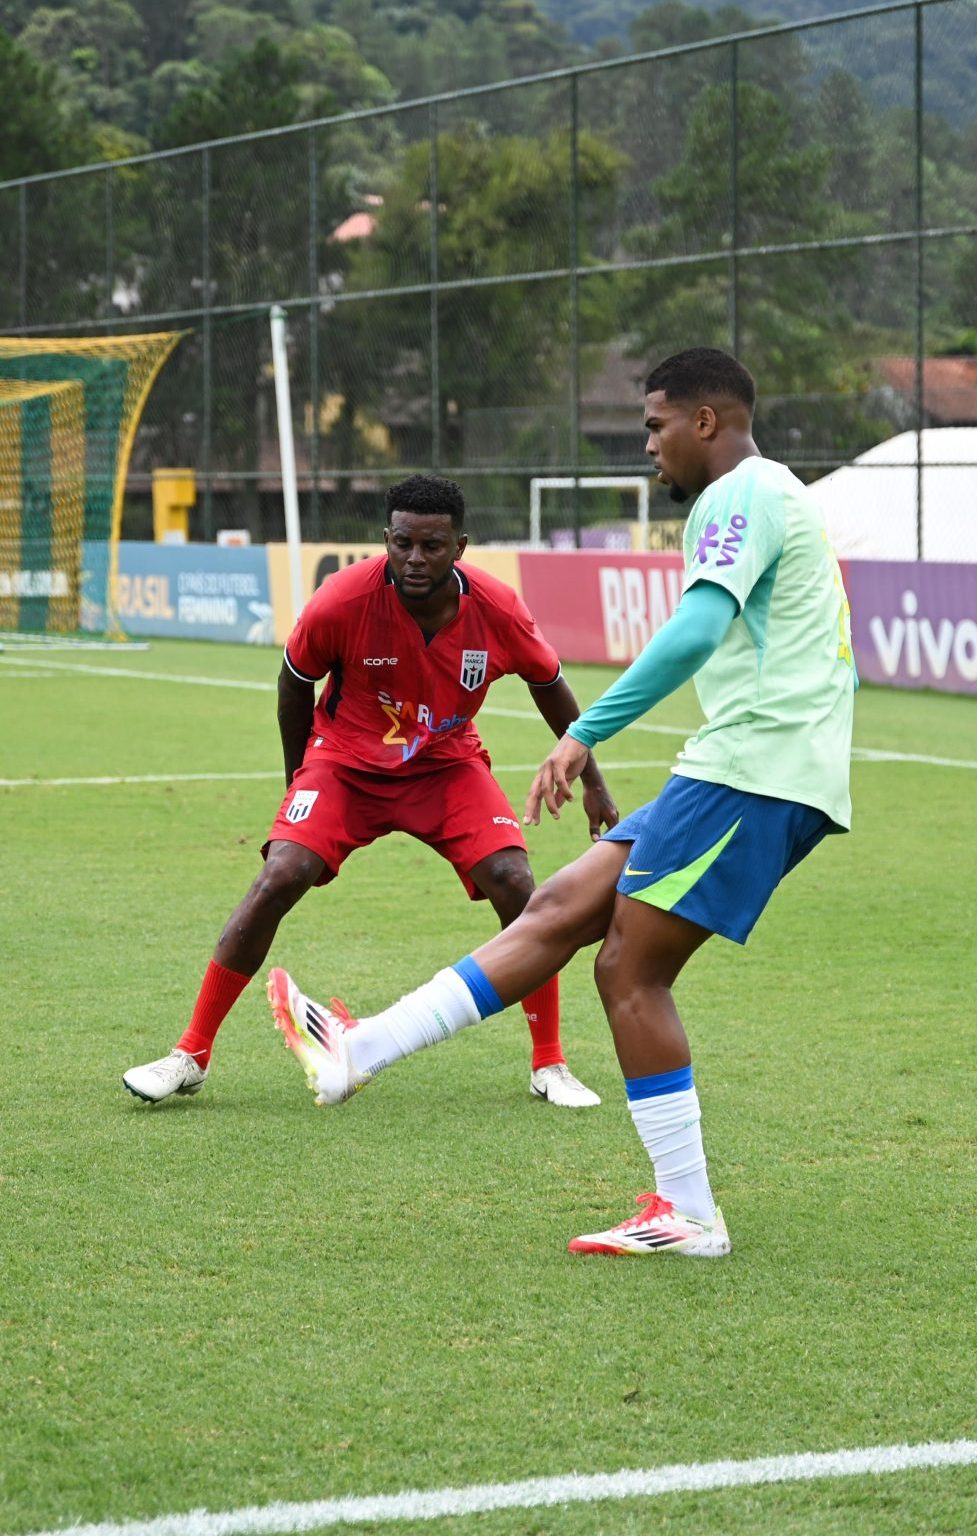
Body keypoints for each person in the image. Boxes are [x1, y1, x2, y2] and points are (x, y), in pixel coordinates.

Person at [268, 348, 854, 1259]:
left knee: (628, 970)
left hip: (757, 774)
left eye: (655, 426)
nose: (648, 446)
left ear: (706, 421)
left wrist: (587, 734)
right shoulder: (767, 494)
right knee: (559, 907)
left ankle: (689, 1211)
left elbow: (698, 628)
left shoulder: (740, 493)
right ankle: (360, 1052)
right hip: (735, 768)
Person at [122, 473, 621, 1110]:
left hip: (446, 764)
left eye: (433, 546)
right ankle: (189, 1054)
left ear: (460, 547)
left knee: (518, 884)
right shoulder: (341, 600)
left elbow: (550, 685)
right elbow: (292, 684)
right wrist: (296, 788)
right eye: (404, 543)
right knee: (281, 875)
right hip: (346, 765)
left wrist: (594, 783)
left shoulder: (497, 609)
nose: (416, 558)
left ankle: (549, 1062)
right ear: (386, 539)